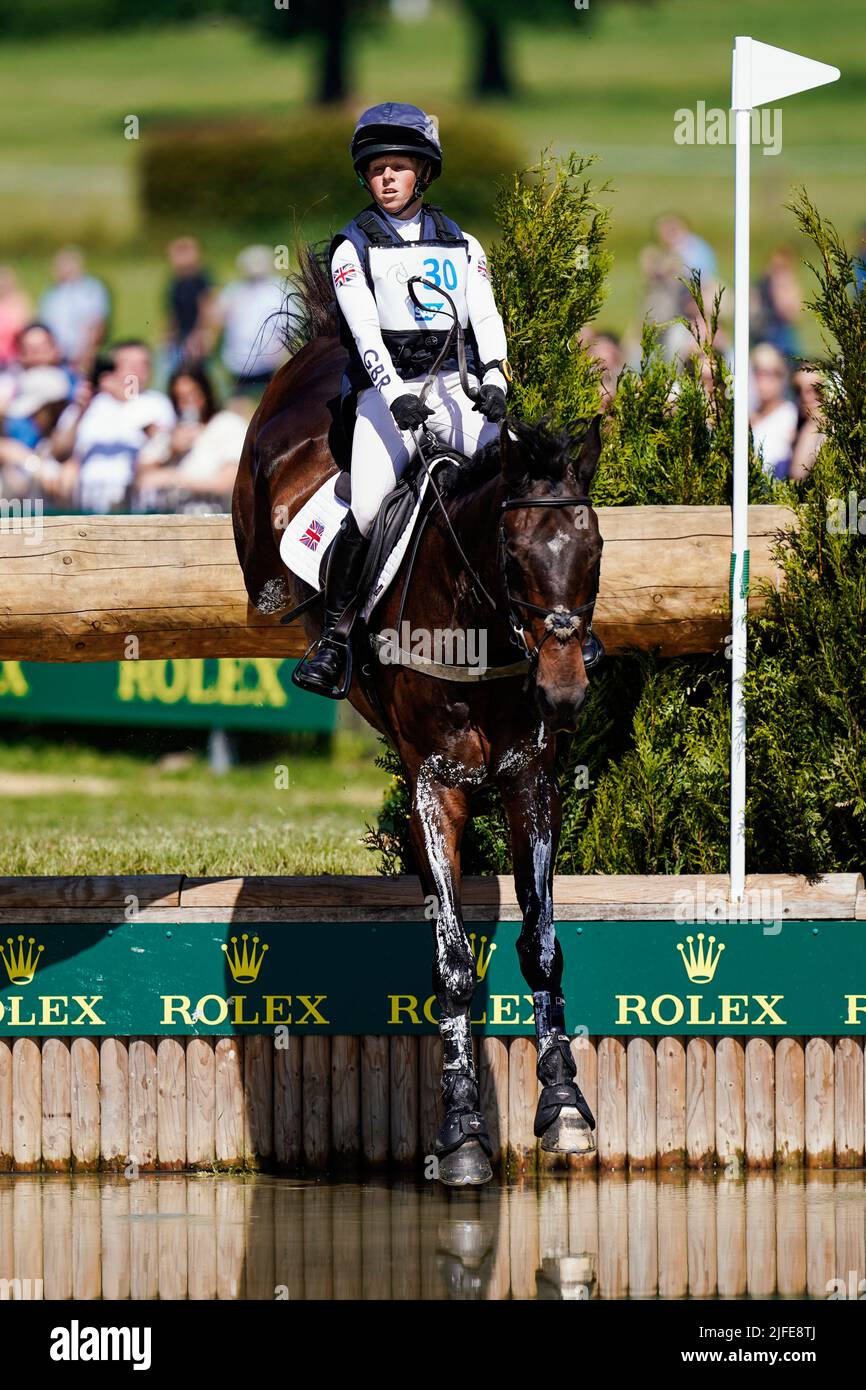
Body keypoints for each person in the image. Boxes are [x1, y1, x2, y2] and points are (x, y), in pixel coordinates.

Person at [294, 101, 602, 697]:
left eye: (399, 167)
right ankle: (336, 638)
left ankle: (560, 631)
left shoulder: (464, 244)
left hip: (456, 390)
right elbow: (363, 330)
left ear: (423, 174)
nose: (387, 178)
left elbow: (486, 319)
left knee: (520, 493)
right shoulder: (352, 248)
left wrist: (494, 381)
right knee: (367, 508)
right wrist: (393, 394)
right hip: (388, 398)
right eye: (377, 168)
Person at [133, 363, 250, 512]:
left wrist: (174, 479)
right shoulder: (172, 431)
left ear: (205, 391)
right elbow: (143, 478)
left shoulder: (227, 424)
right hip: (171, 522)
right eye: (180, 397)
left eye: (193, 394)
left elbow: (228, 482)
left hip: (212, 520)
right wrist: (171, 449)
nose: (188, 403)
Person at [214, 245, 288, 395]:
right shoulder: (235, 290)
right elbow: (219, 318)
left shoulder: (278, 289)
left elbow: (287, 324)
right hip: (238, 361)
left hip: (267, 363)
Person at [38, 246, 110, 373]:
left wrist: (88, 352)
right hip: (58, 357)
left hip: (83, 355)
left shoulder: (91, 289)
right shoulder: (51, 293)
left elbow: (97, 323)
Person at [164, 236, 214, 373]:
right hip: (180, 337)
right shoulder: (176, 280)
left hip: (195, 338)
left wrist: (198, 335)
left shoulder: (201, 279)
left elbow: (207, 308)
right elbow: (172, 311)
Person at [750, 343, 797, 480]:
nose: (761, 380)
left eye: (768, 373)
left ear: (782, 377)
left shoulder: (790, 415)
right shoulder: (747, 416)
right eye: (757, 372)